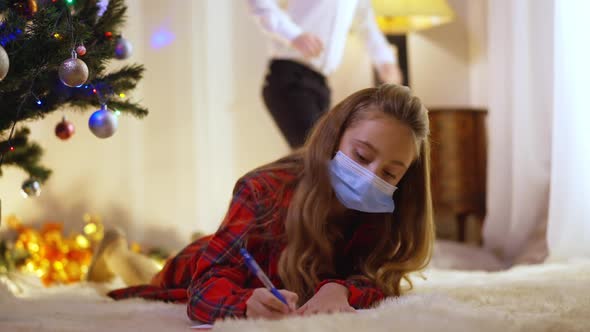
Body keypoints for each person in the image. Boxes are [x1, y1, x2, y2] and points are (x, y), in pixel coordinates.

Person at [89, 84, 433, 324]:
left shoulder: (386, 210)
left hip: (245, 253)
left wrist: (340, 291)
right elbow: (204, 291)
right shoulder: (262, 190)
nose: (371, 176)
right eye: (361, 155)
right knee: (154, 276)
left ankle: (211, 237)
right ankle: (116, 252)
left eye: (390, 172)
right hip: (198, 263)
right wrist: (244, 303)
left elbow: (382, 279)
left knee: (225, 244)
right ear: (335, 136)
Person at [248, 0, 403, 149]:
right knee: (315, 156)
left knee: (320, 158)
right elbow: (260, 3)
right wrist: (293, 34)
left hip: (321, 84)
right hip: (291, 77)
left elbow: (366, 24)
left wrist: (385, 61)